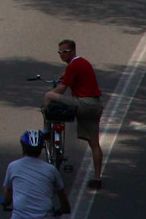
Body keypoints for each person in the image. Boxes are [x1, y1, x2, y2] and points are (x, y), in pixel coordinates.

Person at [43, 39, 104, 189]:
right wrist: (66, 73)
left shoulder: (73, 66)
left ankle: (45, 131)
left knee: (48, 96)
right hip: (95, 105)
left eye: (64, 52)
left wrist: (50, 93)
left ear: (72, 51)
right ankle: (97, 178)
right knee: (94, 143)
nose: (61, 55)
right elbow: (76, 75)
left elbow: (62, 90)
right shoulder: (82, 63)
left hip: (82, 103)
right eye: (59, 52)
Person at [2, 130, 70, 219]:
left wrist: (6, 202)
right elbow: (62, 197)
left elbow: (7, 196)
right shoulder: (51, 169)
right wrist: (64, 209)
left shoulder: (13, 167)